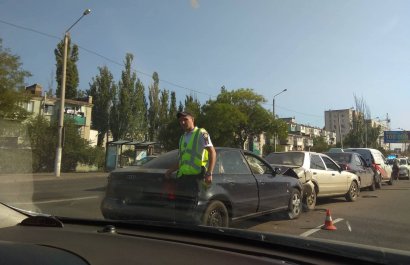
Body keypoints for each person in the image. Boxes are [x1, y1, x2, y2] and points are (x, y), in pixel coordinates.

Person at [165, 111, 216, 223]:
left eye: (185, 119)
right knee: (178, 210)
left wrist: (209, 173)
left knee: (189, 212)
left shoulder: (201, 133)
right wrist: (170, 171)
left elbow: (212, 152)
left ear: (192, 119)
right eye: (180, 121)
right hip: (182, 178)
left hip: (195, 178)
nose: (182, 122)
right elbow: (182, 161)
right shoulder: (182, 138)